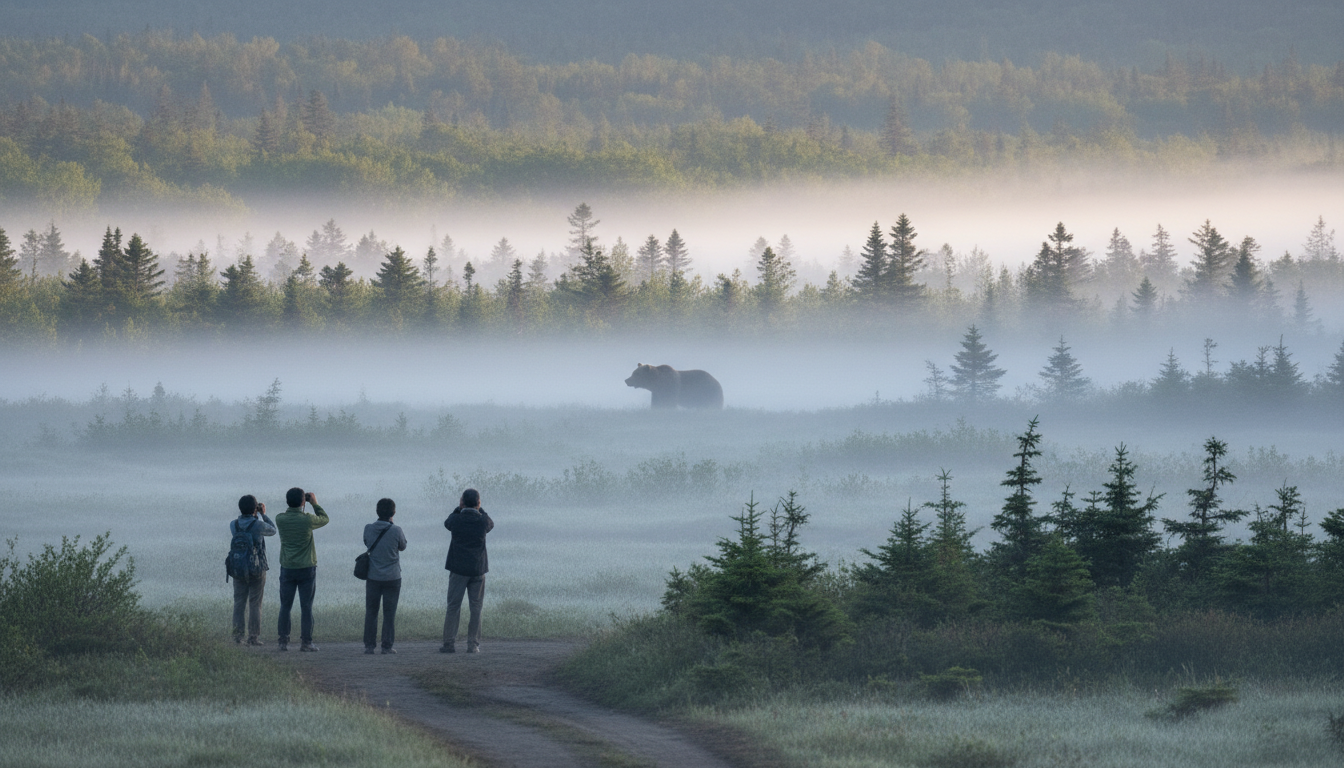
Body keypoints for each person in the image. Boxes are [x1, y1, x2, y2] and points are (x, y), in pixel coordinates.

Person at [275, 487, 329, 652]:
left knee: (285, 606)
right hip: (306, 568)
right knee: (306, 606)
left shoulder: (280, 519)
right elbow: (324, 518)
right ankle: (306, 643)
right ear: (303, 502)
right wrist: (315, 503)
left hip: (287, 567)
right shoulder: (307, 520)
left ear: (287, 501)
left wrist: (304, 503)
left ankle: (283, 642)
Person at [441, 488, 493, 653]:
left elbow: (447, 522)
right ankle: (473, 644)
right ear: (478, 503)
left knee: (453, 606)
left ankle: (449, 643)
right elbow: (490, 522)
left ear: (462, 502)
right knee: (476, 607)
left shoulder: (456, 520)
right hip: (477, 570)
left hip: (458, 570)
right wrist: (480, 508)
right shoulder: (483, 522)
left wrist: (459, 508)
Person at [363, 497, 408, 654]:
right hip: (393, 578)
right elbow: (402, 546)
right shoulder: (396, 530)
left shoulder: (368, 528)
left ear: (377, 511)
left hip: (373, 576)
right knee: (389, 613)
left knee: (371, 611)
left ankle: (369, 646)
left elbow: (367, 543)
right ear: (393, 512)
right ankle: (387, 646)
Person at [230, 494, 275, 646]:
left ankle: (237, 637)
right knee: (255, 603)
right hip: (257, 567)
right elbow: (273, 530)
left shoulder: (233, 524)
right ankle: (253, 637)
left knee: (239, 603)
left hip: (238, 568)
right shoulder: (258, 525)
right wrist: (262, 514)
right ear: (255, 508)